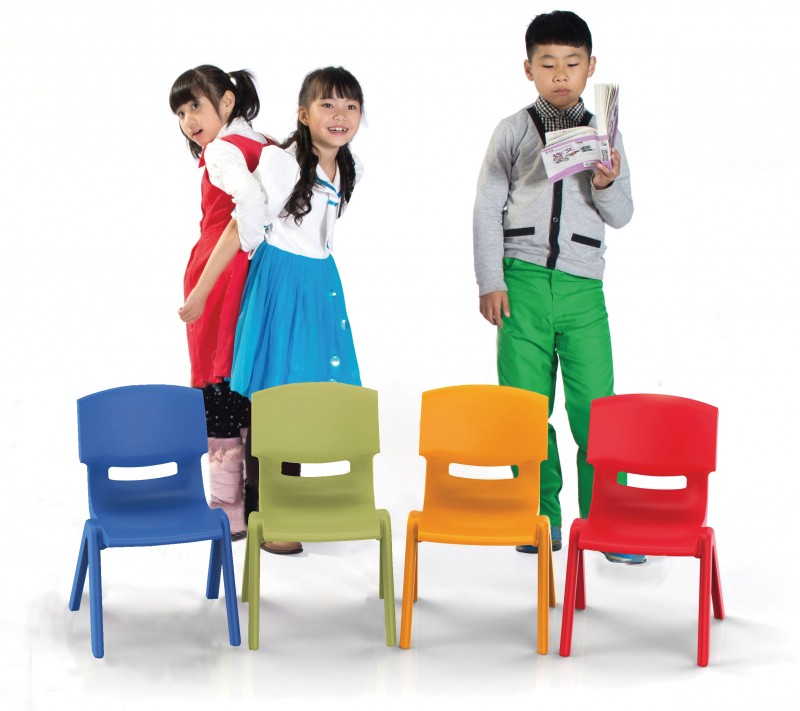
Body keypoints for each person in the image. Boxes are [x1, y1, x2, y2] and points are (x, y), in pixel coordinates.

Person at [472, 11, 643, 563]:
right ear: (529, 69)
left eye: (572, 63)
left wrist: (607, 182)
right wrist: (490, 280)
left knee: (597, 411)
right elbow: (486, 207)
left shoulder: (605, 135)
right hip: (520, 283)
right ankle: (539, 518)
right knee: (525, 409)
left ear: (591, 67)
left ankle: (606, 525)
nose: (561, 74)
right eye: (548, 64)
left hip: (582, 288)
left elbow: (622, 215)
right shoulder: (513, 130)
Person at [181, 66, 365, 555]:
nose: (340, 115)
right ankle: (268, 513)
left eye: (350, 106)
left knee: (299, 392)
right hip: (279, 282)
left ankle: (281, 503)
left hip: (318, 282)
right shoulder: (281, 162)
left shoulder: (349, 168)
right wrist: (201, 291)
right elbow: (240, 222)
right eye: (327, 105)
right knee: (273, 393)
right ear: (303, 114)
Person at [170, 65, 273, 542]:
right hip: (261, 270)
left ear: (227, 102)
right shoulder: (267, 145)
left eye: (195, 105)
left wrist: (240, 243)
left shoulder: (220, 151)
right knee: (254, 379)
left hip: (221, 267)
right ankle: (262, 505)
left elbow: (244, 204)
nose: (188, 120)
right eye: (180, 113)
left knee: (219, 380)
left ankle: (228, 510)